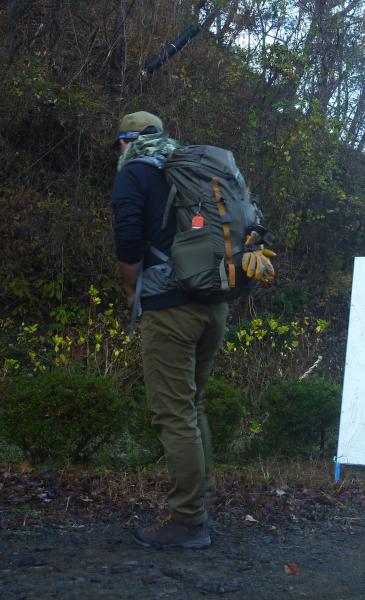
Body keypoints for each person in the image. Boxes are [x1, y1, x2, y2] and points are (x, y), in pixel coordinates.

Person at [110, 111, 227, 549]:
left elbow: (127, 239)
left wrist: (130, 291)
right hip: (213, 305)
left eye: (117, 143)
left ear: (126, 140)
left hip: (170, 308)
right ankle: (198, 511)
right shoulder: (192, 169)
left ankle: (188, 522)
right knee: (192, 408)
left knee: (174, 415)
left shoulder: (134, 173)